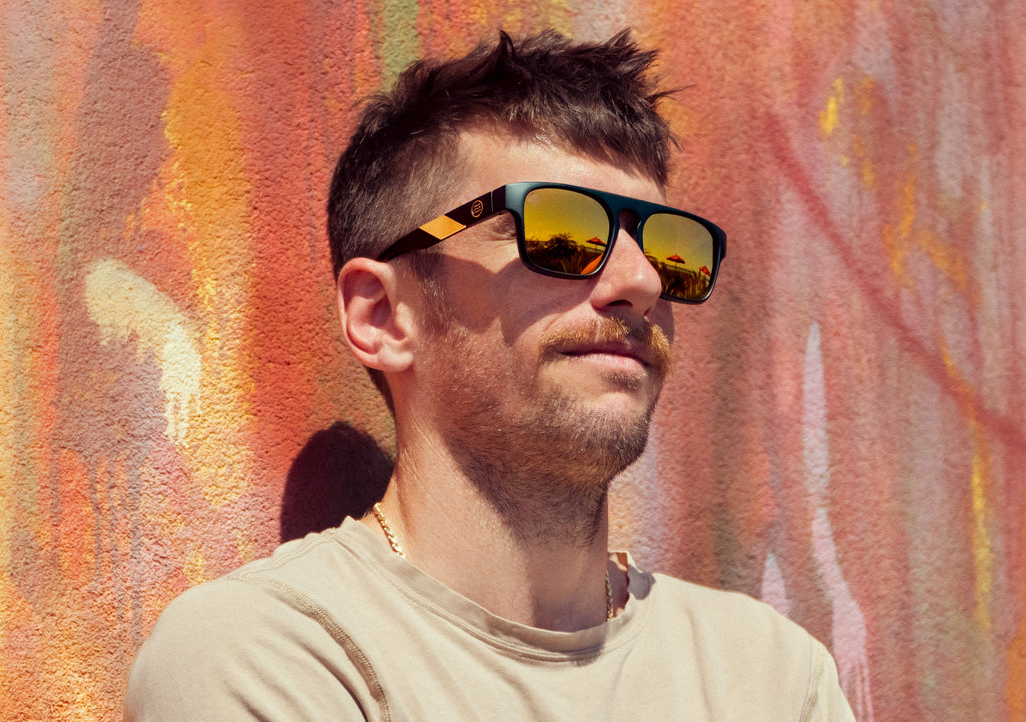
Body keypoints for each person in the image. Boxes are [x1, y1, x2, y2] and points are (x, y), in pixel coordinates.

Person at [126, 29, 855, 720]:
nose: (640, 282)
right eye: (561, 233)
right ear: (383, 317)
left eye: (668, 249)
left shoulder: (768, 674)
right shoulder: (276, 655)